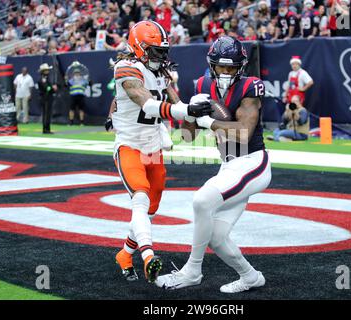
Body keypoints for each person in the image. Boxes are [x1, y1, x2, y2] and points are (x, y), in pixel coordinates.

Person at [155, 36, 271, 293]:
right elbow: (187, 136)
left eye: (231, 67)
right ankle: (251, 277)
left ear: (241, 67)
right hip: (229, 165)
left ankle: (192, 271)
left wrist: (207, 121)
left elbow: (243, 134)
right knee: (217, 237)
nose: (226, 72)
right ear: (212, 64)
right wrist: (189, 111)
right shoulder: (201, 85)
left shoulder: (251, 86)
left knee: (202, 200)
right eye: (221, 66)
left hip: (253, 163)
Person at [109, 20, 212, 284]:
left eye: (163, 51)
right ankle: (148, 257)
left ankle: (124, 254)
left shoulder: (162, 75)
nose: (161, 57)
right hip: (130, 145)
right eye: (155, 51)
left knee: (151, 208)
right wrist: (185, 110)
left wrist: (198, 113)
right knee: (140, 200)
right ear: (139, 48)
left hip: (153, 149)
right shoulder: (125, 67)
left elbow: (185, 126)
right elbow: (145, 103)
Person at [37, 63, 58, 134]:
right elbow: (47, 88)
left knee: (48, 114)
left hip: (48, 97)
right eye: (46, 70)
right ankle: (45, 129)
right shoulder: (42, 79)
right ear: (43, 71)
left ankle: (47, 128)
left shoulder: (46, 78)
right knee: (46, 114)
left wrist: (53, 88)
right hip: (45, 98)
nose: (48, 71)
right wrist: (52, 88)